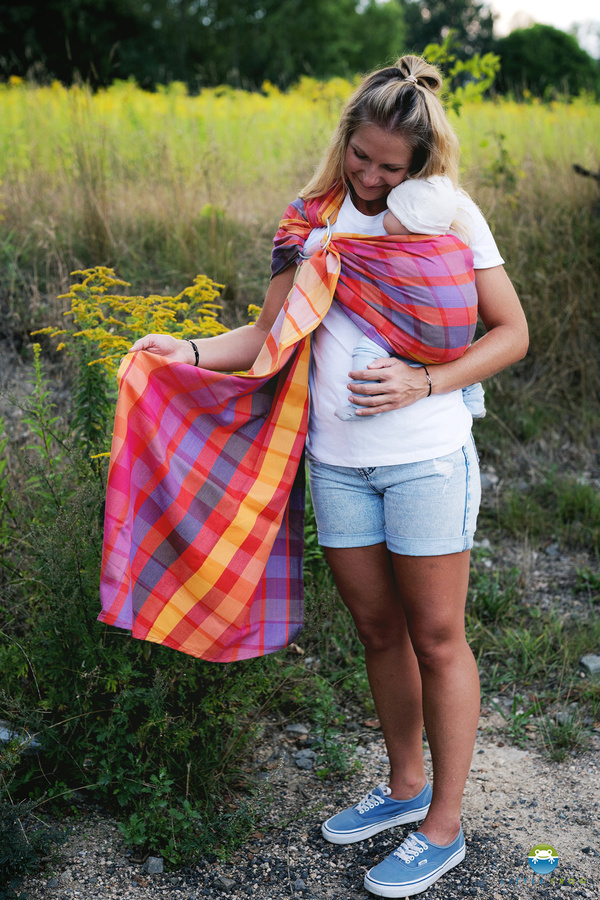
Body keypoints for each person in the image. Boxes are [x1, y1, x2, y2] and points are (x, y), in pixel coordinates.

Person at [117, 54, 528, 897]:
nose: (374, 178)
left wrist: (426, 378)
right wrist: (183, 350)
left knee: (438, 637)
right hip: (336, 464)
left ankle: (442, 826)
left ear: (421, 162)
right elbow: (265, 337)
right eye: (362, 158)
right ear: (344, 141)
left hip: (425, 458)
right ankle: (404, 787)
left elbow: (511, 332)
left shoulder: (450, 219)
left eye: (393, 166)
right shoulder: (310, 222)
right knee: (378, 633)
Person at [333, 174, 486, 423]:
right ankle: (473, 395)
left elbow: (357, 265)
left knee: (367, 348)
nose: (385, 216)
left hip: (423, 339)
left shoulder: (398, 251)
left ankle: (363, 403)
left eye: (391, 212)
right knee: (462, 351)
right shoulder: (454, 246)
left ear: (410, 222)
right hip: (459, 342)